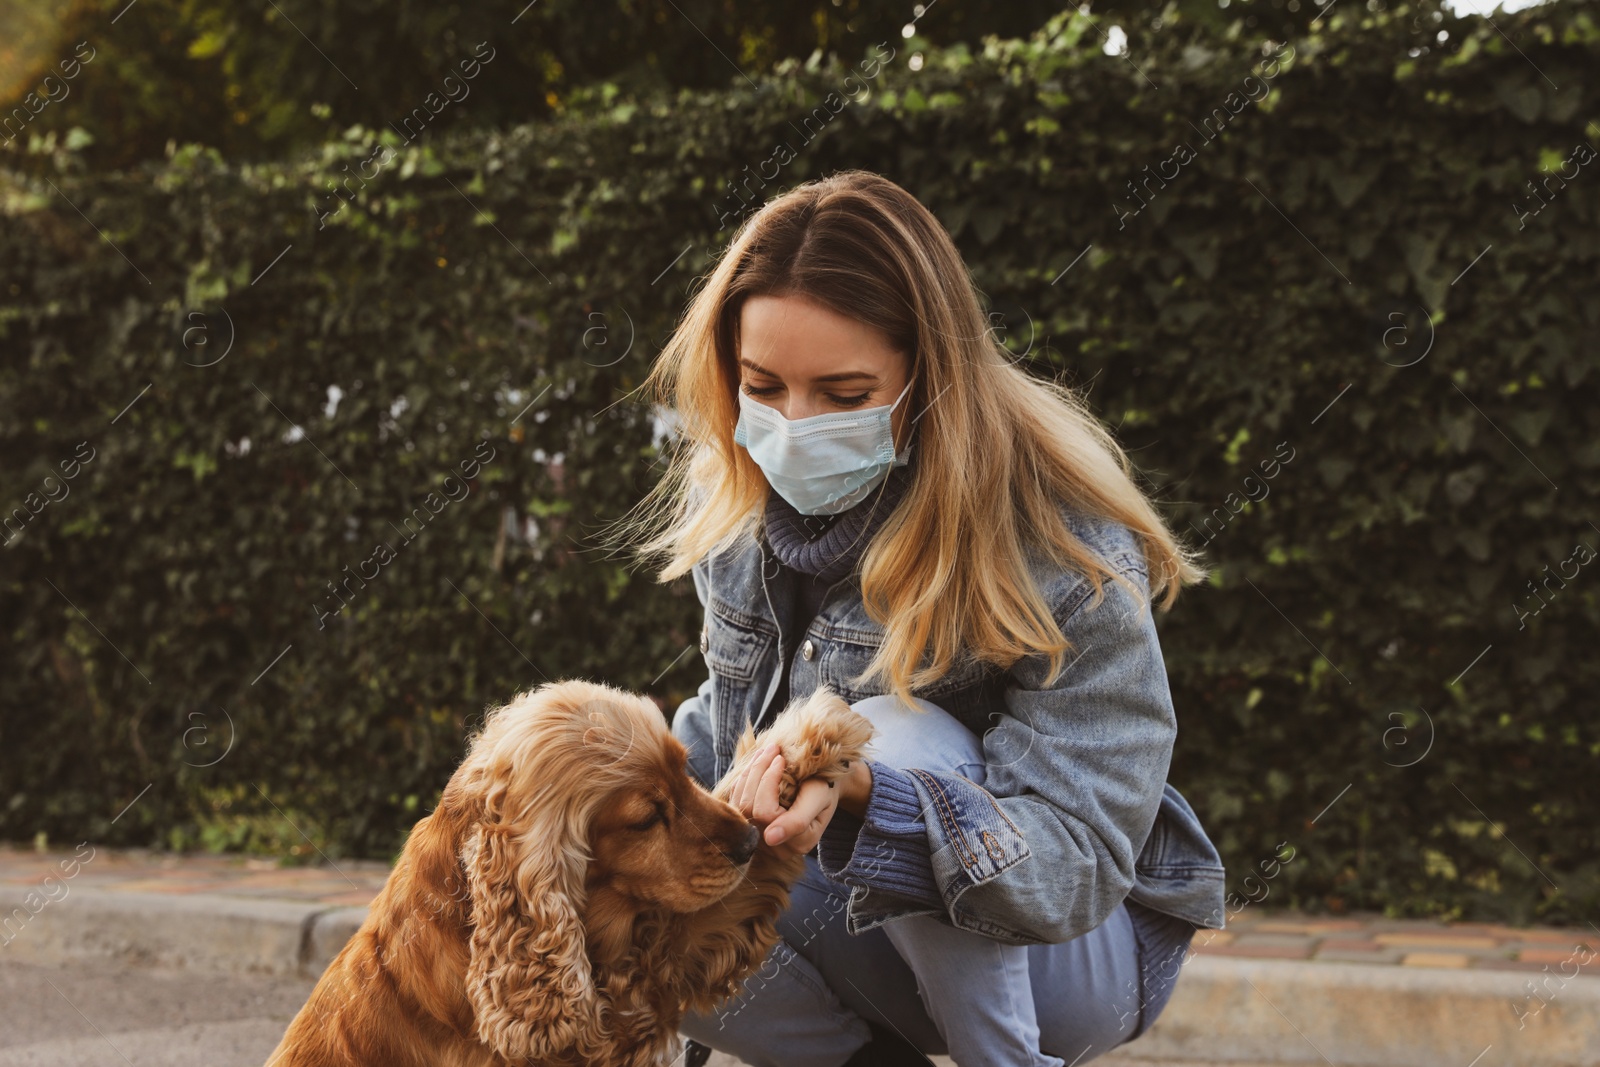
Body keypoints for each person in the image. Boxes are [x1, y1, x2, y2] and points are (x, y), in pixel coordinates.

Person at [608, 170, 1227, 1067]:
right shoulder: (739, 521)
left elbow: (1079, 868)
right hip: (867, 932)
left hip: (1068, 960)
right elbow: (714, 746)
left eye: (846, 393)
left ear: (931, 379)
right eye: (764, 386)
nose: (794, 423)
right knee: (632, 906)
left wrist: (876, 799)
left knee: (884, 733)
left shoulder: (1057, 546)